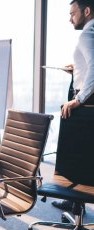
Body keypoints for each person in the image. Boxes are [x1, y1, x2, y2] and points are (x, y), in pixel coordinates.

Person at [52, 0, 94, 211]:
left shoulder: (87, 35)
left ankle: (75, 201)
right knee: (86, 156)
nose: (70, 19)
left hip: (86, 106)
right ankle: (76, 203)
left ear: (87, 11)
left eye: (73, 13)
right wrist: (77, 69)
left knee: (76, 157)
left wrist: (79, 99)